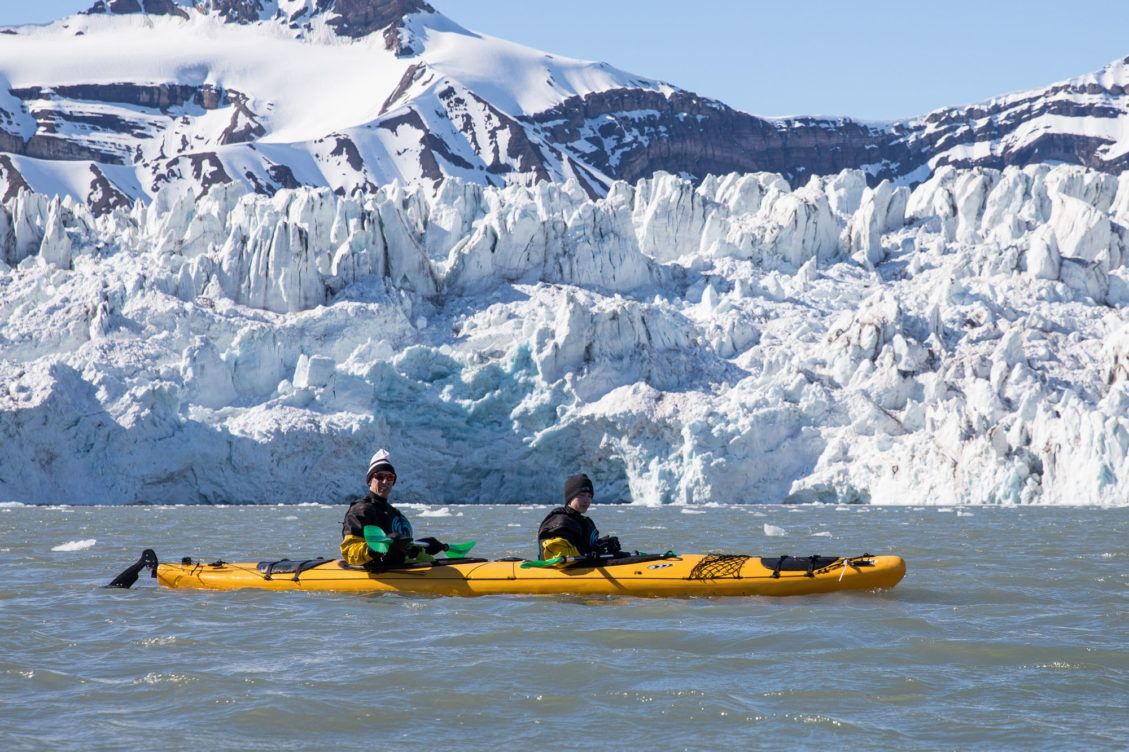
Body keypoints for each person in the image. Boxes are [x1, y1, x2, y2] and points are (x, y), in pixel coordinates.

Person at [340, 449, 442, 568]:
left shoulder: (395, 513)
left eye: (390, 477)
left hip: (396, 569)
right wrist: (378, 548)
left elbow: (399, 548)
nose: (385, 481)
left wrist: (421, 547)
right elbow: (349, 551)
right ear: (369, 481)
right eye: (379, 476)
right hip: (375, 571)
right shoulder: (360, 510)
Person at [536, 473, 621, 560]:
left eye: (589, 496)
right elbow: (558, 557)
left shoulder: (584, 522)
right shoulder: (560, 522)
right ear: (570, 497)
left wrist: (603, 546)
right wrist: (592, 549)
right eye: (581, 495)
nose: (587, 500)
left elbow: (586, 548)